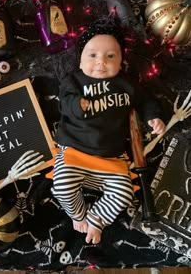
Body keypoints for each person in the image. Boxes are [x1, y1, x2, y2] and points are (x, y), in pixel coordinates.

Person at [51, 19, 165, 245]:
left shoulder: (126, 84)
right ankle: (78, 214)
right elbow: (63, 103)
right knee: (62, 186)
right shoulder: (74, 81)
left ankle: (96, 219)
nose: (101, 62)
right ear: (80, 60)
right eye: (92, 55)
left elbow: (145, 101)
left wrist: (153, 117)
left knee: (124, 193)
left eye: (110, 56)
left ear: (121, 61)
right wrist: (76, 105)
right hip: (75, 151)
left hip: (111, 157)